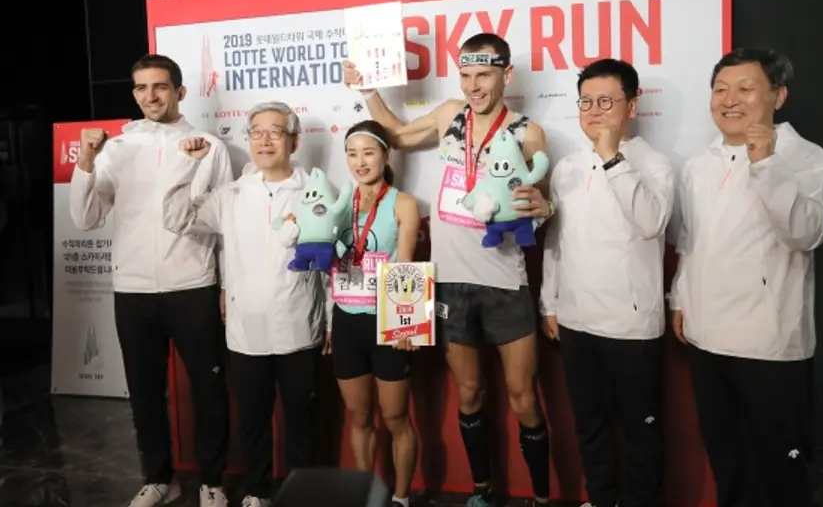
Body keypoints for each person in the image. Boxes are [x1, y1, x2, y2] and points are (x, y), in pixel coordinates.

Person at [343, 33, 554, 507]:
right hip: (449, 282)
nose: (473, 85)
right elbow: (397, 136)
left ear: (507, 75)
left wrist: (546, 207)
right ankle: (481, 493)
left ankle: (542, 499)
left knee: (523, 396)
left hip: (504, 282)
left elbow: (543, 205)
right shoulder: (449, 115)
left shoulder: (528, 132)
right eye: (466, 75)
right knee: (469, 392)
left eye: (484, 75)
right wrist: (367, 90)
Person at [670, 48, 823, 507]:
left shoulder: (805, 157)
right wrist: (680, 298)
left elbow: (806, 233)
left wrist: (766, 164)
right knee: (728, 460)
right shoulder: (700, 163)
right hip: (706, 337)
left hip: (769, 344)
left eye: (745, 88)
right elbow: (690, 240)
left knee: (779, 471)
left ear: (777, 97)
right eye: (720, 89)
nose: (729, 99)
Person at [69, 54, 232, 507]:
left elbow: (227, 224)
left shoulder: (209, 146)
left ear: (180, 91)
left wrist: (226, 286)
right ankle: (159, 478)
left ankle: (213, 481)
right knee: (144, 392)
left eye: (159, 86)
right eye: (141, 88)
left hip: (193, 284)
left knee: (209, 389)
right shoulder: (117, 148)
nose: (150, 96)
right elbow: (85, 218)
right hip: (133, 289)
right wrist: (86, 159)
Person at [162, 101, 329, 507]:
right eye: (257, 132)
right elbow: (176, 217)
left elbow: (329, 267)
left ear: (294, 140)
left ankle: (302, 494)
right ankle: (257, 491)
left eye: (275, 131)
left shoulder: (315, 192)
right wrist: (187, 166)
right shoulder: (231, 194)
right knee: (253, 421)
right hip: (245, 330)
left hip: (298, 327)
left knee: (302, 422)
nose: (265, 140)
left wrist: (330, 323)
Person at [541, 59, 673, 507]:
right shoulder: (567, 168)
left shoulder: (655, 165)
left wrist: (612, 158)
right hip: (576, 319)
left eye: (605, 101)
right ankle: (600, 499)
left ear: (632, 106)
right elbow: (556, 239)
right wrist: (549, 302)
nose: (594, 111)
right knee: (590, 425)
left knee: (641, 430)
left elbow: (651, 222)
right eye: (586, 102)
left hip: (632, 326)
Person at [327, 120, 421, 507]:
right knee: (359, 416)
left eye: (368, 152)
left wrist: (406, 324)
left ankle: (401, 497)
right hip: (346, 320)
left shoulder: (403, 203)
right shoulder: (338, 201)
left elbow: (406, 265)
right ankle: (366, 495)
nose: (360, 162)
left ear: (386, 155)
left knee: (396, 417)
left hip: (386, 323)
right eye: (352, 154)